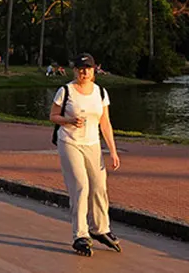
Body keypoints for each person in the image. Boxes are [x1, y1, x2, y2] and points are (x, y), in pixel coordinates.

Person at [50, 53, 121, 257]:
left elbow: (105, 123)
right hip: (70, 142)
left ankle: (100, 228)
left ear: (94, 70)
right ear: (75, 70)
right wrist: (68, 120)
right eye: (81, 68)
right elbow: (52, 116)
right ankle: (80, 234)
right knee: (81, 186)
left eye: (88, 68)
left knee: (99, 186)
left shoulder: (100, 92)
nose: (84, 72)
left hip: (93, 144)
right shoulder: (66, 90)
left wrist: (113, 151)